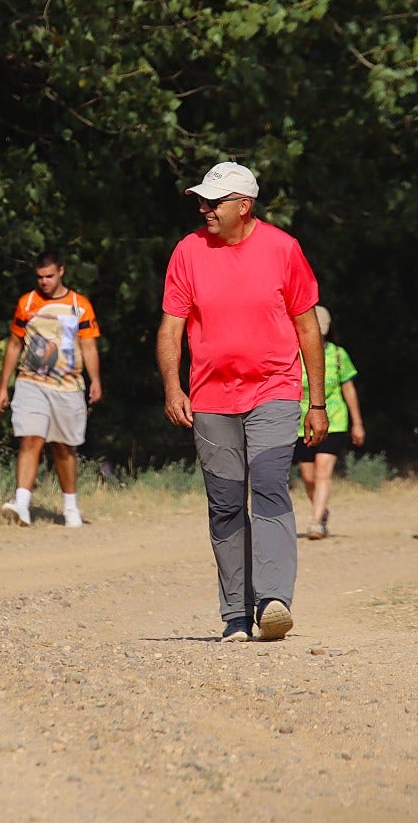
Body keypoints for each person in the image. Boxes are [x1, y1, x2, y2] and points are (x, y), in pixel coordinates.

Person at [157, 161, 325, 644]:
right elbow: (171, 326)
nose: (205, 209)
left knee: (270, 485)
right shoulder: (188, 251)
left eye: (214, 202)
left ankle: (272, 601)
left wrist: (317, 402)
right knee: (226, 504)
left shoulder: (282, 249)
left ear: (244, 205)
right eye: (202, 202)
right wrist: (173, 388)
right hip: (210, 398)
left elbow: (307, 327)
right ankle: (235, 613)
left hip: (274, 390)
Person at [0, 250, 102, 529]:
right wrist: (4, 386)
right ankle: (22, 504)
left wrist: (95, 381)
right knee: (31, 438)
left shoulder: (80, 305)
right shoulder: (27, 303)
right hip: (31, 382)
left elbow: (89, 346)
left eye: (49, 276)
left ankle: (70, 507)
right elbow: (15, 345)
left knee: (63, 447)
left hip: (67, 386)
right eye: (39, 277)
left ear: (61, 272)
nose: (44, 282)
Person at [295, 305, 363, 540]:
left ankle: (315, 522)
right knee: (308, 477)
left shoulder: (337, 354)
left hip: (333, 420)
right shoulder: (294, 352)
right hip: (300, 421)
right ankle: (321, 510)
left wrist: (357, 423)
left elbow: (349, 390)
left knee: (323, 472)